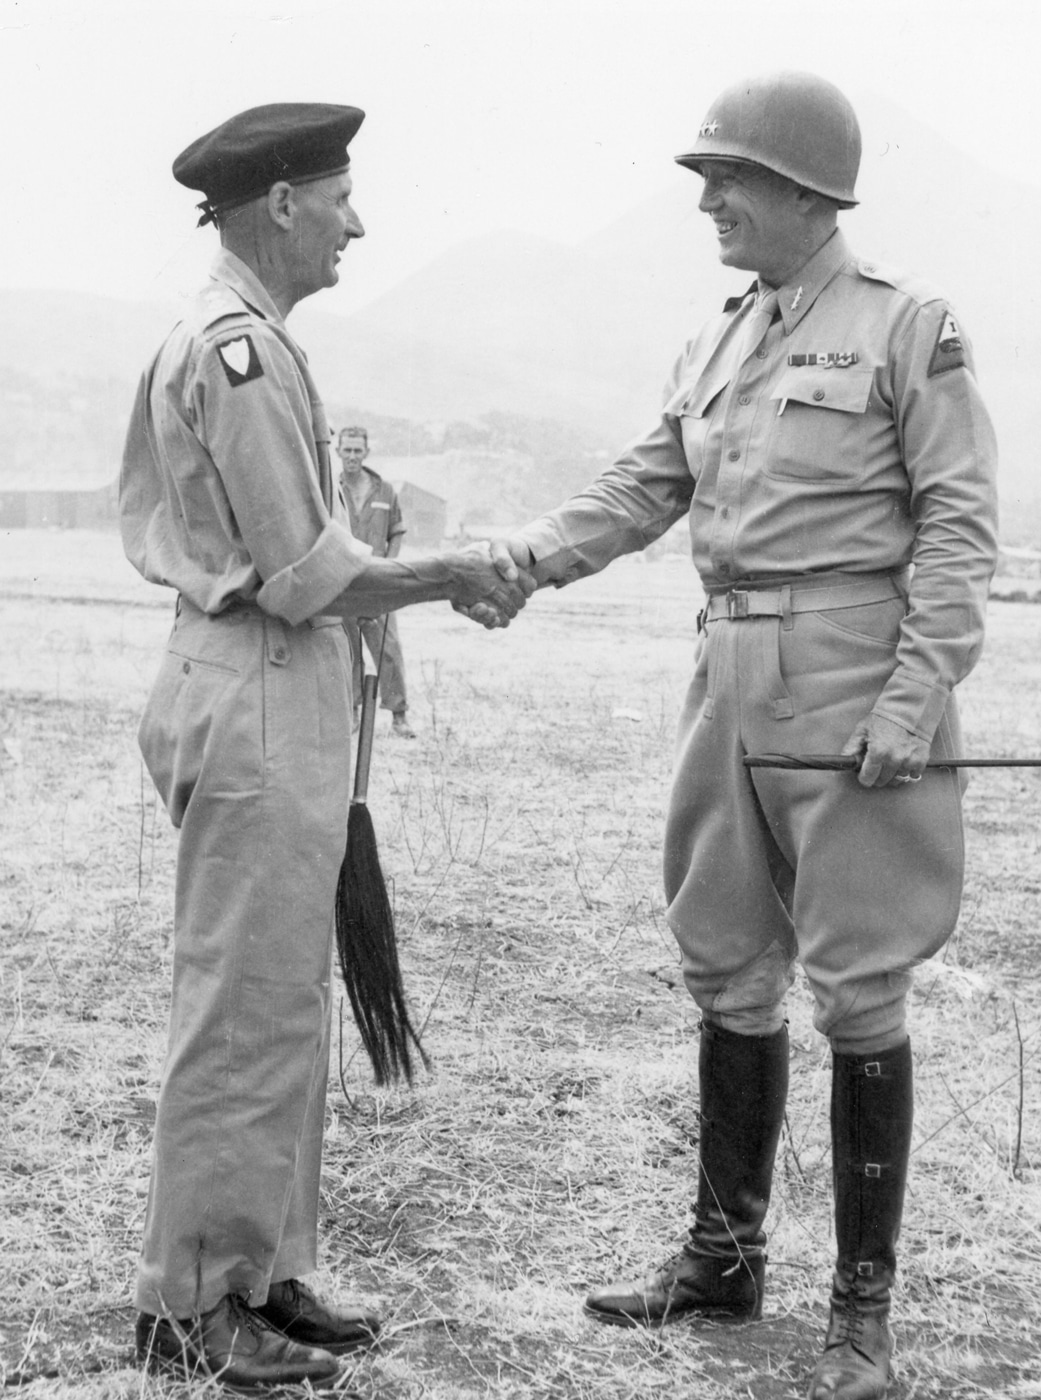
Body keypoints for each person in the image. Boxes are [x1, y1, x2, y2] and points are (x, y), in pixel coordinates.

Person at [486, 72, 998, 1400]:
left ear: (801, 190)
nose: (707, 199)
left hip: (852, 678)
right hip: (725, 672)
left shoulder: (907, 330)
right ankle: (724, 1259)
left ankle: (861, 1323)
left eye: (727, 177)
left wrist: (910, 697)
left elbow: (956, 532)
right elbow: (643, 483)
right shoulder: (714, 343)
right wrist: (524, 560)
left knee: (859, 983)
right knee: (722, 956)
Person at [119, 102, 533, 1391]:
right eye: (343, 196)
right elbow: (302, 570)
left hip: (277, 691)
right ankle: (193, 1301)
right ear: (283, 203)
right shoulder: (237, 352)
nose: (359, 220)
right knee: (240, 1010)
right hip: (254, 686)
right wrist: (448, 569)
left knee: (282, 1000)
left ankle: (264, 1268)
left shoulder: (260, 344)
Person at [335, 425, 415, 738]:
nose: (352, 456)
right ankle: (352, 714)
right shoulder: (330, 488)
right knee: (347, 648)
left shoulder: (385, 491)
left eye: (358, 450)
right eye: (347, 450)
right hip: (342, 582)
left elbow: (396, 531)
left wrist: (390, 567)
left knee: (387, 649)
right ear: (338, 451)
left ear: (366, 453)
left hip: (378, 583)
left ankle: (399, 716)